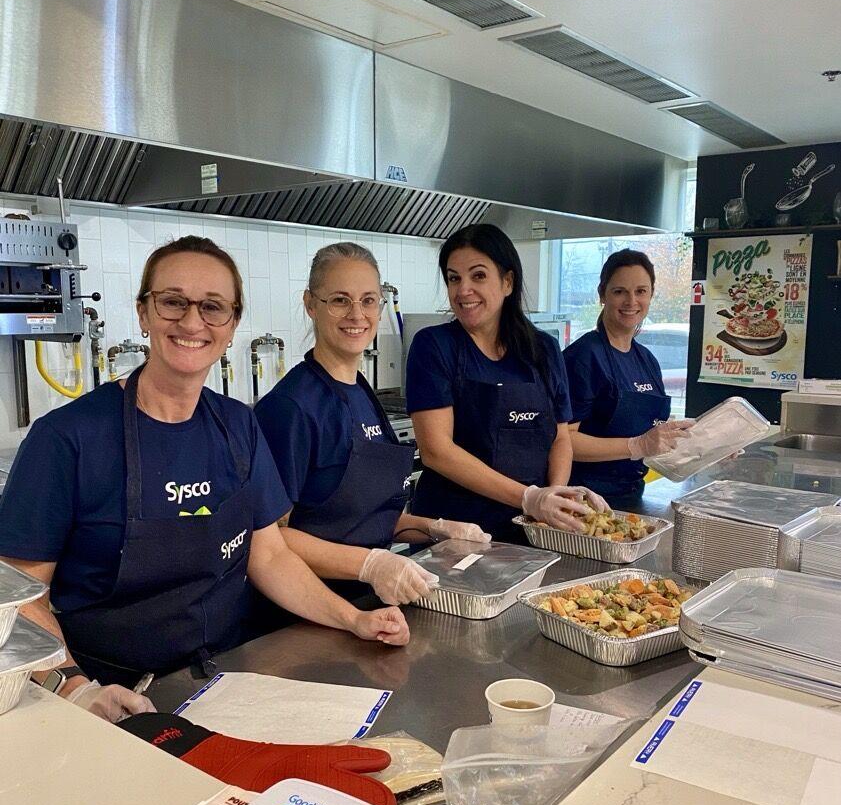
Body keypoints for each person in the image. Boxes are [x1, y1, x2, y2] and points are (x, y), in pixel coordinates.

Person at [0, 236, 408, 723]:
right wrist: (71, 686)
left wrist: (354, 619)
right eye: (173, 302)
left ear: (232, 324)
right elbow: (19, 597)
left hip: (229, 680)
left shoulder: (238, 425)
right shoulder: (67, 439)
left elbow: (270, 553)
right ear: (144, 313)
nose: (192, 322)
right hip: (112, 699)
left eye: (213, 307)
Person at [255, 242, 489, 605]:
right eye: (339, 300)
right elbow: (271, 537)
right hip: (305, 609)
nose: (356, 314)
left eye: (368, 300)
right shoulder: (290, 408)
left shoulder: (363, 395)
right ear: (310, 304)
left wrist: (434, 527)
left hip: (371, 602)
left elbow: (362, 517)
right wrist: (369, 563)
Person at [405, 223, 606, 542]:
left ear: (508, 281)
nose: (463, 290)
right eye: (454, 278)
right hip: (458, 536)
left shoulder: (543, 350)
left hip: (531, 532)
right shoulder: (434, 346)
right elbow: (436, 451)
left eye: (478, 276)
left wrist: (553, 496)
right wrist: (529, 498)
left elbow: (560, 438)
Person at [563, 248, 693, 507]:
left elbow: (656, 438)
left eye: (641, 291)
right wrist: (636, 445)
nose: (631, 301)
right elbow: (564, 440)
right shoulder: (584, 357)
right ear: (602, 295)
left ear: (651, 295)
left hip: (633, 495)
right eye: (619, 291)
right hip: (584, 501)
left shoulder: (646, 360)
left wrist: (711, 444)